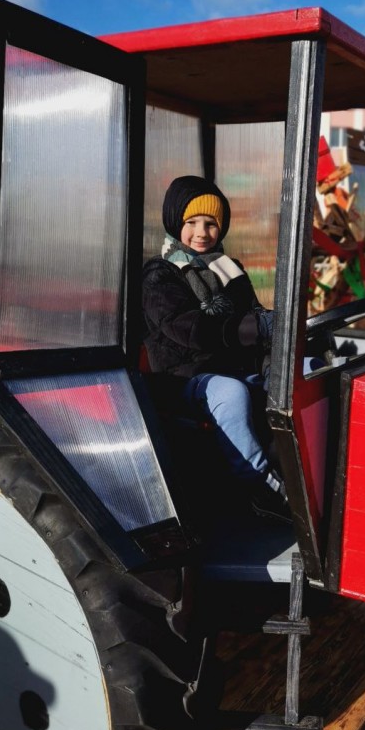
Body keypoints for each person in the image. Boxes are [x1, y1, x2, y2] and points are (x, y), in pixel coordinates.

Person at [142, 175, 291, 523]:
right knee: (230, 392)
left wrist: (273, 355)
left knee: (306, 369)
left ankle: (307, 473)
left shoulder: (230, 269)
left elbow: (256, 318)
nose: (202, 232)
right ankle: (261, 487)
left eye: (211, 223)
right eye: (192, 222)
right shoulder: (160, 275)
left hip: (235, 368)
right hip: (184, 378)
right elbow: (190, 329)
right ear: (175, 222)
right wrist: (253, 328)